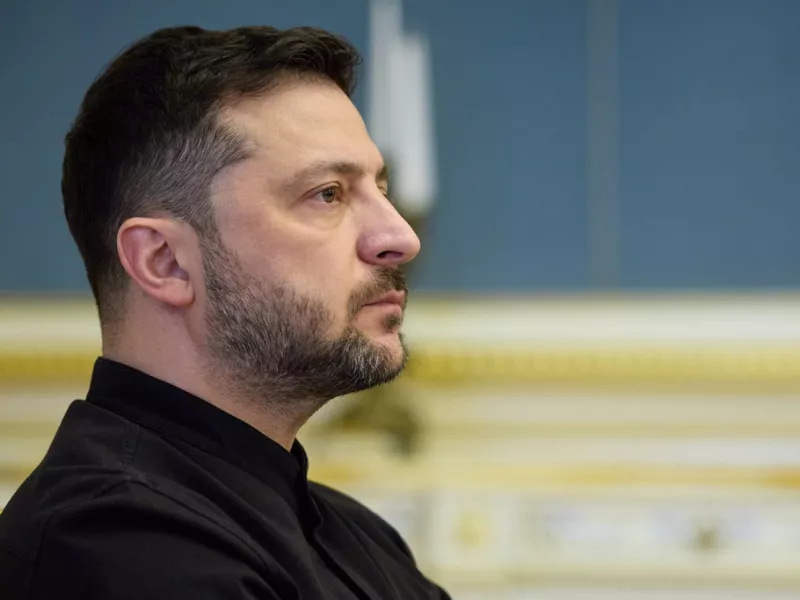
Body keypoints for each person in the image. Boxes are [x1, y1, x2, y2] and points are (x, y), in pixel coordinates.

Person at [0, 25, 450, 599]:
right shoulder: (116, 545)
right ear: (165, 262)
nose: (401, 237)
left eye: (380, 190)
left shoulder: (361, 536)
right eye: (328, 193)